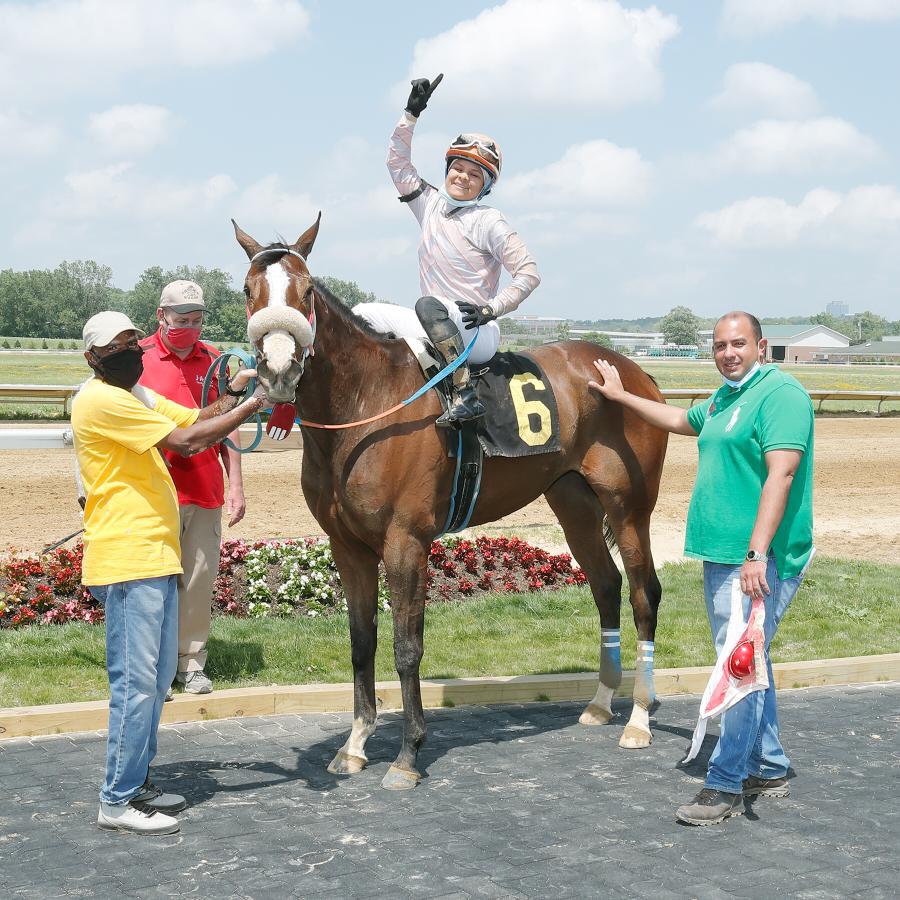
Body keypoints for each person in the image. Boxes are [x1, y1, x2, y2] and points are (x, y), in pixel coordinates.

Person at [588, 311, 814, 826]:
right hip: (722, 555)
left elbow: (782, 475)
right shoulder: (725, 398)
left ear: (762, 345)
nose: (728, 353)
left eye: (738, 344)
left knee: (739, 667)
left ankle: (727, 782)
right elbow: (679, 421)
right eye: (719, 346)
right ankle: (771, 765)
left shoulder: (780, 396)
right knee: (749, 661)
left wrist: (757, 553)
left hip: (760, 560)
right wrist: (622, 397)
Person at [72, 310, 267, 835]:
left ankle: (136, 782)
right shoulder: (103, 399)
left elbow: (196, 418)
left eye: (134, 340)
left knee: (156, 682)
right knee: (136, 684)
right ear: (94, 358)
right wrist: (255, 406)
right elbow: (185, 444)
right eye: (120, 345)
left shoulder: (136, 396)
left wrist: (235, 390)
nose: (133, 350)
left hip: (154, 555)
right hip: (128, 557)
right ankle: (116, 799)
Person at [354, 73, 541, 426]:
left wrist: (492, 309)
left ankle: (464, 394)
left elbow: (529, 272)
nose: (462, 177)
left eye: (475, 174)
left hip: (476, 330)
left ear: (485, 187)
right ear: (447, 169)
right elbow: (397, 164)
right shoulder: (429, 205)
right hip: (434, 321)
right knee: (361, 313)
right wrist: (410, 115)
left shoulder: (490, 221)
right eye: (458, 168)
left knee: (429, 305)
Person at [138, 279, 244, 695]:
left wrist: (235, 482)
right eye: (182, 319)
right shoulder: (137, 359)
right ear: (161, 315)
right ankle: (155, 667)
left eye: (198, 320)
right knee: (152, 582)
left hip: (204, 489)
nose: (191, 327)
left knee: (197, 580)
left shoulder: (215, 360)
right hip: (152, 490)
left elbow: (228, 424)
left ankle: (191, 662)